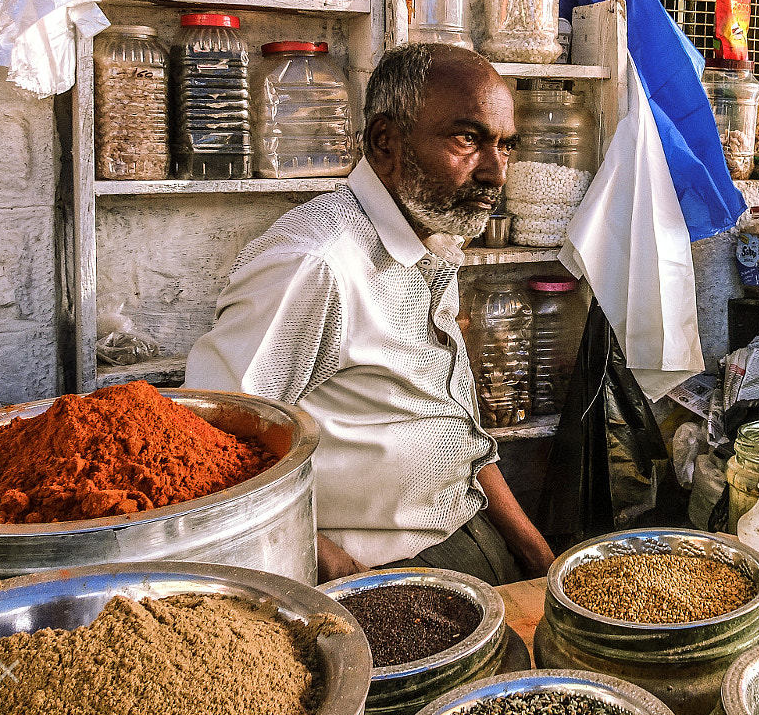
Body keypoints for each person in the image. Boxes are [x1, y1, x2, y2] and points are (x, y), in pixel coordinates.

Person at [184, 43, 555, 585]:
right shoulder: (314, 265)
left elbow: (454, 430)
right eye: (467, 140)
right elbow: (210, 442)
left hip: (469, 536)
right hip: (382, 573)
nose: (496, 173)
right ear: (386, 142)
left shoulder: (432, 242)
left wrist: (537, 554)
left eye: (505, 146)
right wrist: (339, 571)